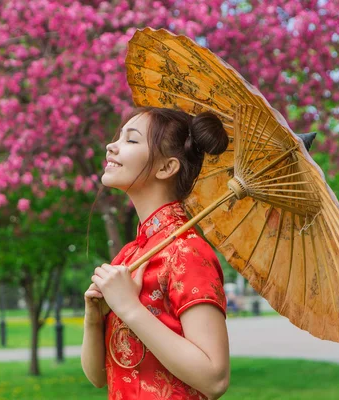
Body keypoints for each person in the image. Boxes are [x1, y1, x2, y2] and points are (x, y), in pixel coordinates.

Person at [81, 107, 231, 400]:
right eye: (119, 137)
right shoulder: (130, 254)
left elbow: (215, 380)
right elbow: (99, 377)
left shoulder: (187, 252)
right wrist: (93, 319)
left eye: (131, 140)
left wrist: (129, 308)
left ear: (166, 168)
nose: (112, 145)